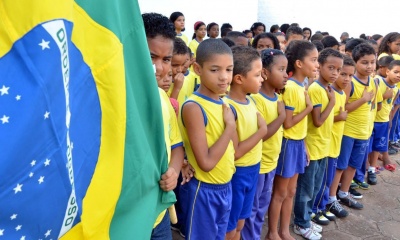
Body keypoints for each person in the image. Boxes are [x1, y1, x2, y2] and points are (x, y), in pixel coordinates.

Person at [179, 39, 236, 239]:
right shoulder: (194, 107)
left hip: (225, 186)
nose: (224, 77)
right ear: (197, 68)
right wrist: (230, 127)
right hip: (204, 191)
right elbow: (206, 162)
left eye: (229, 70)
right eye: (214, 70)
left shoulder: (223, 103)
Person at [142, 12, 185, 240]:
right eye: (151, 57)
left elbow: (177, 146)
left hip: (159, 213)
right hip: (130, 215)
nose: (159, 68)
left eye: (166, 59)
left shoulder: (163, 99)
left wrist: (174, 170)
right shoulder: (116, 101)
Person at [293, 48, 342, 239]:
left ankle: (307, 218)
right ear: (319, 66)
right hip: (312, 148)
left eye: (337, 70)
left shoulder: (326, 89)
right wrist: (332, 102)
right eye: (331, 68)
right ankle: (300, 223)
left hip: (323, 147)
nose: (335, 73)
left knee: (315, 188)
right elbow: (318, 121)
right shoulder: (316, 90)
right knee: (306, 190)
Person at [270, 40, 315, 240]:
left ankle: (284, 231)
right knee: (280, 193)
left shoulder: (302, 85)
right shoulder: (291, 88)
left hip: (297, 144)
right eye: (313, 60)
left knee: (291, 191)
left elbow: (299, 126)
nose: (316, 65)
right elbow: (288, 123)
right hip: (288, 144)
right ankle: (272, 232)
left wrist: (304, 145)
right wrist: (308, 109)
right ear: (298, 63)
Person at [242, 48, 288, 240]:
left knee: (262, 205)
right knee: (252, 209)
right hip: (258, 164)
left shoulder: (277, 97)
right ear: (265, 73)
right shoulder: (256, 99)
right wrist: (282, 116)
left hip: (271, 162)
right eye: (282, 69)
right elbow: (263, 134)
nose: (286, 75)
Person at [224, 46, 267, 240]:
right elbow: (236, 152)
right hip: (238, 173)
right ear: (239, 79)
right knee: (230, 227)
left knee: (241, 222)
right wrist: (262, 132)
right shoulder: (228, 107)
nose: (262, 79)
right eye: (258, 75)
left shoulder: (251, 102)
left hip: (253, 169)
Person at [334, 43, 376, 212]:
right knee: (341, 165)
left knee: (353, 165)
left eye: (372, 62)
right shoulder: (350, 82)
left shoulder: (373, 82)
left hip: (363, 132)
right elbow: (343, 108)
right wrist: (363, 99)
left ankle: (344, 192)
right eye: (365, 62)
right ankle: (332, 196)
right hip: (348, 131)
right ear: (355, 62)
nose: (369, 66)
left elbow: (373, 108)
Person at [318, 55, 354, 220]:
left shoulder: (340, 94)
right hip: (326, 144)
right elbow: (319, 119)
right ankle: (318, 208)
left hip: (335, 144)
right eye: (343, 74)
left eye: (349, 75)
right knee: (321, 181)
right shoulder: (328, 91)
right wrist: (339, 117)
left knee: (328, 178)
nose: (346, 78)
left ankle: (324, 203)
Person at [369, 60, 400, 182]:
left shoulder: (397, 90)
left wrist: (389, 121)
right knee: (368, 146)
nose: (398, 75)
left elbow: (391, 106)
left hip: (384, 122)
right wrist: (384, 96)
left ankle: (372, 168)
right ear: (387, 71)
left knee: (377, 146)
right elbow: (372, 101)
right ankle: (366, 166)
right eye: (396, 72)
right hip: (372, 120)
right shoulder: (378, 81)